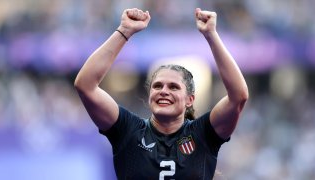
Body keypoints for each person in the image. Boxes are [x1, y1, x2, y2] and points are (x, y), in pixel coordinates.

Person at [74, 7, 248, 180]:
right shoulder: (129, 131)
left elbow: (238, 97)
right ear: (150, 95)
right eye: (157, 86)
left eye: (173, 87)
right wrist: (124, 32)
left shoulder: (202, 134)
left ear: (190, 100)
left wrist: (211, 35)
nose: (164, 91)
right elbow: (85, 85)